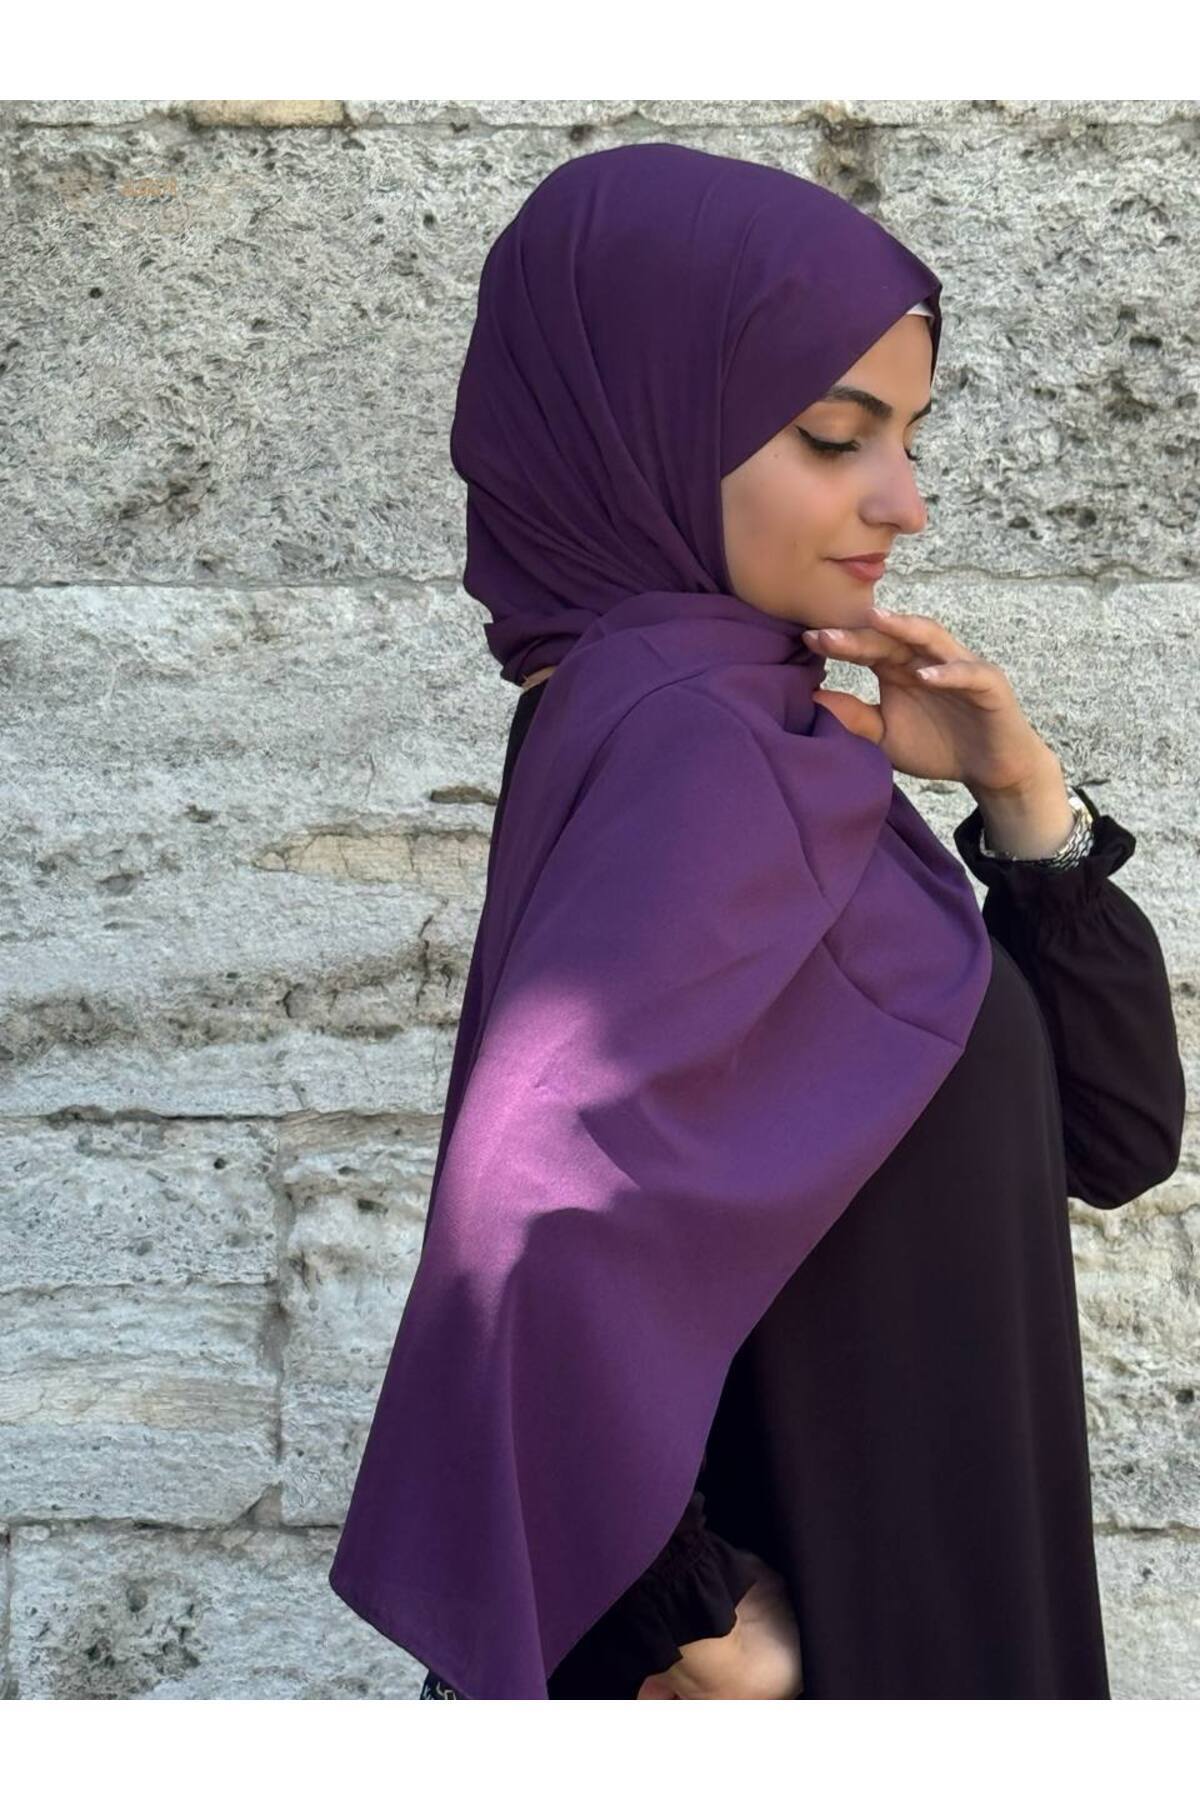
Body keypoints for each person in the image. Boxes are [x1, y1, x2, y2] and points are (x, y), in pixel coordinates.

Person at [333, 143, 1186, 1701]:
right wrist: (693, 1625)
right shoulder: (699, 737)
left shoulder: (739, 727)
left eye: (907, 438)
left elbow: (1110, 1136)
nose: (902, 501)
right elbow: (522, 1221)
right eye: (835, 437)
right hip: (864, 1624)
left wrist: (1021, 798)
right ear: (643, 423)